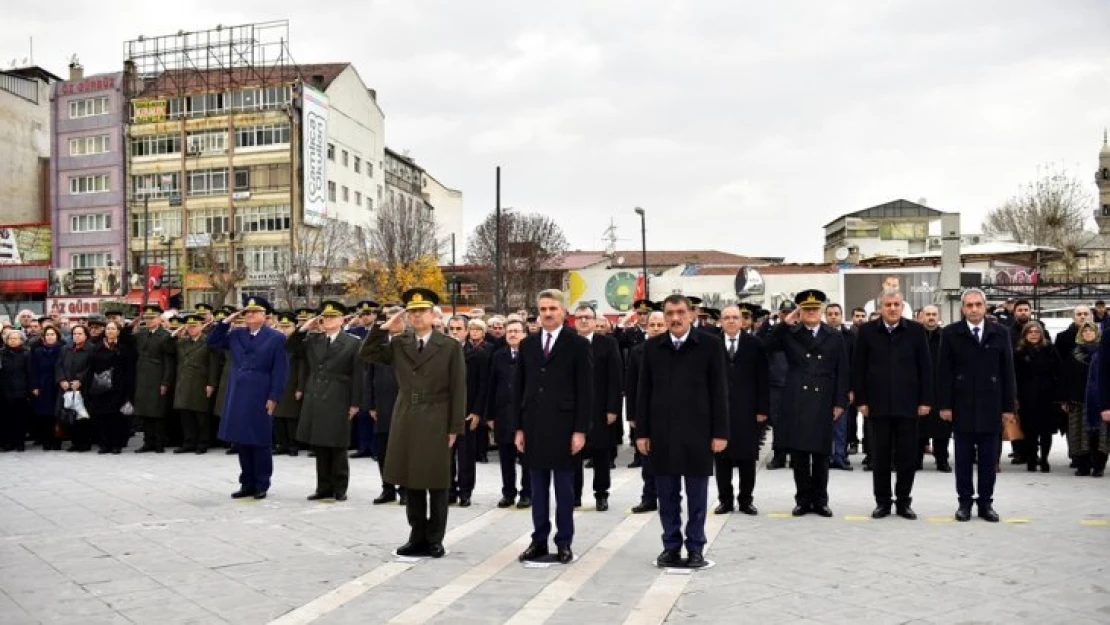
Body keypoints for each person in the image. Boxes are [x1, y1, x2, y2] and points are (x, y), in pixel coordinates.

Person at [361, 288, 465, 558]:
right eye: (412, 311)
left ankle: (435, 539)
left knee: (437, 481)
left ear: (433, 315)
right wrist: (384, 327)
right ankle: (416, 535)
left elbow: (458, 388)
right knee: (412, 479)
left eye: (422, 311)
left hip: (437, 415)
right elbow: (368, 354)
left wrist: (455, 427)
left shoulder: (449, 346)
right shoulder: (398, 343)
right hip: (406, 414)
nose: (417, 316)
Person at [636, 294, 727, 568]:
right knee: (667, 495)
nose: (675, 319)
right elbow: (644, 392)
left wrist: (720, 432)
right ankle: (671, 546)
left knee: (697, 495)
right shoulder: (652, 347)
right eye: (670, 314)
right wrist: (642, 432)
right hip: (662, 434)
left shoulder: (710, 345)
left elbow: (720, 391)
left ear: (691, 314)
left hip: (699, 432)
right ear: (663, 317)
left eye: (680, 313)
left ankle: (696, 546)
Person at [513, 289, 592, 564]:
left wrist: (580, 430)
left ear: (564, 313)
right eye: (543, 309)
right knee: (537, 490)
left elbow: (585, 390)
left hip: (564, 428)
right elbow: (519, 389)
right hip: (533, 426)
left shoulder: (578, 345)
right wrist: (518, 428)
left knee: (564, 490)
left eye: (553, 309)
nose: (547, 314)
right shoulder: (527, 345)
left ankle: (564, 542)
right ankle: (538, 540)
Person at [764, 290, 849, 518]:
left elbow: (842, 370)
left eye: (814, 309)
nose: (811, 313)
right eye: (806, 309)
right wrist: (784, 323)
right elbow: (765, 345)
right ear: (799, 311)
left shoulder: (833, 335)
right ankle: (802, 499)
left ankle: (820, 500)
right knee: (800, 455)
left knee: (821, 455)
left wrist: (840, 401)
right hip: (797, 399)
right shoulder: (790, 333)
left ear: (821, 310)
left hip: (824, 398)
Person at [937, 288, 1016, 523]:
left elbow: (1007, 372)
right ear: (963, 308)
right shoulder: (951, 333)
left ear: (985, 306)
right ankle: (964, 503)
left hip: (991, 406)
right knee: (962, 459)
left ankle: (986, 503)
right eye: (969, 305)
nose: (973, 309)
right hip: (962, 406)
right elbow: (944, 372)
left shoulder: (1000, 333)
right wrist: (944, 405)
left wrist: (1008, 407)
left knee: (988, 460)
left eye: (977, 305)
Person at [852, 289, 933, 520]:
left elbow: (925, 367)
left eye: (896, 304)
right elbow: (859, 368)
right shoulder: (867, 331)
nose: (892, 308)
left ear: (902, 306)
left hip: (908, 405)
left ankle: (904, 502)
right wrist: (861, 400)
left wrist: (926, 400)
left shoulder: (916, 331)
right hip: (877, 406)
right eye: (888, 305)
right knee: (880, 457)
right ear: (880, 307)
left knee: (907, 458)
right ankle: (883, 502)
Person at [208, 297, 289, 500]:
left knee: (260, 441)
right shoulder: (236, 335)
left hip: (261, 392)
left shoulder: (276, 338)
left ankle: (262, 483)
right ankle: (247, 483)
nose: (250, 315)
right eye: (247, 312)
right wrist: (226, 321)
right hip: (238, 392)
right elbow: (212, 341)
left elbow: (280, 370)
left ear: (265, 315)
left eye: (254, 311)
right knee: (242, 440)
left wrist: (274, 396)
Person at [288, 301, 364, 502]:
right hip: (316, 394)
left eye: (333, 317)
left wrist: (355, 403)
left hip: (339, 395)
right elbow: (290, 347)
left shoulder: (353, 342)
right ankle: (323, 487)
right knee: (320, 444)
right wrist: (304, 328)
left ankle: (340, 487)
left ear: (342, 320)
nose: (328, 320)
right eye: (325, 317)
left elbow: (358, 375)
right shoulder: (313, 340)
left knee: (337, 444)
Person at [714, 304, 768, 516]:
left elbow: (763, 378)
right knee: (722, 458)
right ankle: (725, 500)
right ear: (720, 321)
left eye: (735, 317)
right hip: (721, 410)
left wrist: (763, 409)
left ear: (742, 320)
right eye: (726, 317)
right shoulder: (713, 344)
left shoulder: (754, 344)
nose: (731, 321)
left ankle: (746, 500)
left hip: (748, 410)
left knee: (747, 458)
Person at [567, 305, 621, 511]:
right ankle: (574, 495)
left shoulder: (607, 343)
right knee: (573, 453)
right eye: (579, 317)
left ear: (594, 320)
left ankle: (601, 494)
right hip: (573, 408)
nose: (583, 321)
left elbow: (615, 378)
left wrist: (613, 408)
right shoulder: (568, 343)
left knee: (601, 453)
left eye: (587, 317)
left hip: (600, 409)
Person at [485, 319, 532, 508]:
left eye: (516, 331)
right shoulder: (498, 356)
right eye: (509, 331)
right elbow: (491, 386)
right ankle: (508, 493)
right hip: (503, 415)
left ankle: (527, 493)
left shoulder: (531, 355)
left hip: (525, 415)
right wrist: (489, 415)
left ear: (524, 334)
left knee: (526, 458)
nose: (512, 334)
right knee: (506, 458)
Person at [628, 309, 667, 514]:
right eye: (652, 325)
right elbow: (632, 385)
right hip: (646, 413)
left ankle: (669, 497)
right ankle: (649, 497)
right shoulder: (638, 351)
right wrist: (632, 415)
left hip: (669, 415)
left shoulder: (675, 350)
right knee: (647, 460)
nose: (656, 328)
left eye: (660, 325)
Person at [368, 307, 405, 505]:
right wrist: (371, 404)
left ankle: (405, 489)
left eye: (396, 319)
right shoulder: (380, 345)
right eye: (389, 319)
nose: (392, 322)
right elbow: (370, 374)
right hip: (382, 405)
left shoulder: (409, 342)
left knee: (403, 449)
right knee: (383, 450)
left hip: (403, 404)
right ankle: (387, 488)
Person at [1014, 322, 1061, 473]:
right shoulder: (1019, 352)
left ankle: (1045, 459)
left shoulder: (1050, 349)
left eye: (1036, 332)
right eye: (1030, 332)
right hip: (1027, 396)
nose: (1034, 334)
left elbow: (1059, 371)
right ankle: (1032, 459)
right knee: (1030, 430)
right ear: (1025, 335)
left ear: (1041, 334)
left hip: (1047, 395)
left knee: (1046, 431)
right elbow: (1015, 375)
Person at [129, 305, 176, 453]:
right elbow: (127, 339)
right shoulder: (142, 334)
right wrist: (133, 323)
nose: (149, 321)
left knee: (158, 413)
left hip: (157, 376)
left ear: (159, 319)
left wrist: (165, 382)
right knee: (145, 412)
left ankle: (159, 443)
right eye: (147, 318)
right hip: (143, 377)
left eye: (152, 318)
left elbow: (169, 361)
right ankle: (147, 442)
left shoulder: (165, 336)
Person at [85, 321, 134, 454]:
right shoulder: (98, 347)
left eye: (113, 329)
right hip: (102, 387)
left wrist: (129, 390)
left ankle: (116, 444)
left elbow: (129, 369)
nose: (110, 331)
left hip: (119, 387)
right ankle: (104, 444)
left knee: (117, 417)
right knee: (103, 417)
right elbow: (92, 367)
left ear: (118, 331)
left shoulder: (123, 348)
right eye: (108, 329)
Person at [172, 314, 217, 454]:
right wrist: (174, 334)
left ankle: (203, 442)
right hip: (184, 381)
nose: (191, 329)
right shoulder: (181, 342)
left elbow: (213, 365)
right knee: (185, 414)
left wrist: (211, 383)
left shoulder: (208, 341)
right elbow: (167, 348)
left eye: (194, 326)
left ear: (201, 326)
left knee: (201, 415)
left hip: (200, 382)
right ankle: (189, 442)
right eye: (189, 326)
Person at [1072, 322, 1109, 476]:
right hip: (1079, 400)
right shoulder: (1074, 353)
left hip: (1100, 398)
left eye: (1091, 330)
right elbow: (1068, 377)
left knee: (1101, 434)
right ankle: (1083, 465)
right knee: (1081, 434)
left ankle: (1099, 465)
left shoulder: (1103, 350)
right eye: (1084, 331)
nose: (1088, 333)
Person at [762, 300, 795, 470]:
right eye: (784, 312)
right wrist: (779, 324)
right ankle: (779, 456)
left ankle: (796, 455)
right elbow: (765, 343)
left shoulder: (800, 330)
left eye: (790, 312)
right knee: (778, 422)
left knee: (796, 421)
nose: (787, 315)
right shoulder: (775, 331)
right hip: (776, 382)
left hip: (795, 383)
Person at [917, 305, 950, 472]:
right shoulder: (914, 336)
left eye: (934, 314)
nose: (931, 317)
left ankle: (942, 460)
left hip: (940, 387)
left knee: (942, 428)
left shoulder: (946, 336)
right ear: (921, 316)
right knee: (918, 427)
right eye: (927, 314)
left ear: (939, 316)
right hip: (918, 388)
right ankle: (916, 460)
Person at [272, 311, 306, 457]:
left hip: (292, 383)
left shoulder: (300, 343)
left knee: (292, 416)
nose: (284, 329)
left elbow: (302, 367)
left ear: (295, 326)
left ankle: (293, 444)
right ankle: (281, 444)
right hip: (277, 384)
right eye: (282, 326)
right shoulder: (275, 342)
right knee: (277, 416)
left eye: (288, 326)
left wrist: (300, 386)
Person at [825, 302, 854, 471]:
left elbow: (854, 364)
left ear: (841, 316)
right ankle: (826, 456)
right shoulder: (821, 334)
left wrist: (851, 389)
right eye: (830, 313)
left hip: (843, 386)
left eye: (836, 313)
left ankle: (840, 456)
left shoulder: (850, 336)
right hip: (824, 386)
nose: (833, 316)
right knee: (824, 425)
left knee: (841, 425)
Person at [57, 325, 94, 452]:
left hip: (82, 388)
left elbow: (91, 368)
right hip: (67, 387)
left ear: (85, 335)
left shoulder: (91, 349)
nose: (76, 336)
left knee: (82, 416)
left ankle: (85, 443)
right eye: (74, 334)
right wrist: (62, 379)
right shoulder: (66, 348)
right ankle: (74, 442)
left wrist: (80, 379)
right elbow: (59, 365)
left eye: (80, 333)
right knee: (70, 415)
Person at [29, 326, 64, 450]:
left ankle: (57, 441)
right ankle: (46, 440)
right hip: (43, 385)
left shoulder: (63, 350)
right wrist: (35, 386)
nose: (50, 337)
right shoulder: (37, 351)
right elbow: (33, 370)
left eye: (52, 334)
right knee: (44, 414)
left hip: (57, 384)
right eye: (48, 335)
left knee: (57, 413)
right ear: (44, 337)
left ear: (57, 336)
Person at [0, 330, 32, 452]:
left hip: (21, 390)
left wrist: (30, 389)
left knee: (20, 418)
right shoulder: (2, 353)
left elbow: (30, 372)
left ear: (21, 340)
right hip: (4, 390)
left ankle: (20, 442)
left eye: (16, 338)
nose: (12, 340)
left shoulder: (26, 354)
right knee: (6, 418)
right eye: (10, 338)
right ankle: (8, 442)